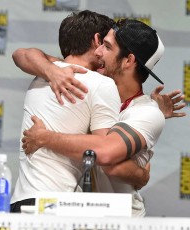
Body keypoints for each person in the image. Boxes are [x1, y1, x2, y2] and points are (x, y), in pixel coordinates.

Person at [18, 17, 185, 216]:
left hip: (122, 221)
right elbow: (25, 54)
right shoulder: (87, 80)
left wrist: (46, 138)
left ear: (128, 61)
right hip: (85, 216)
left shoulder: (147, 113)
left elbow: (105, 155)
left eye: (107, 47)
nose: (97, 52)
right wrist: (52, 72)